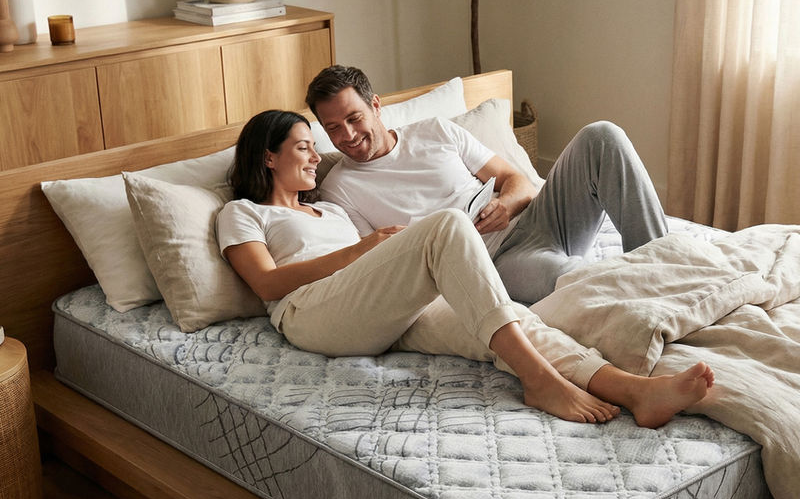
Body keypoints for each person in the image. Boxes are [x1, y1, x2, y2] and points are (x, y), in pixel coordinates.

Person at [216, 109, 715, 428]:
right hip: (311, 313)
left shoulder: (331, 209)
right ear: (268, 157)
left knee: (505, 324)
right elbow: (264, 282)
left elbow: (376, 267)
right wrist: (360, 251)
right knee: (447, 226)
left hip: (379, 311)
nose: (317, 157)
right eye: (306, 146)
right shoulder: (243, 212)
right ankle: (540, 383)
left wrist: (377, 252)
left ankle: (636, 391)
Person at [305, 66, 670, 305]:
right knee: (578, 281)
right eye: (333, 128)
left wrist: (506, 205)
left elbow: (518, 181)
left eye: (354, 118)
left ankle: (667, 267)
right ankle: (647, 293)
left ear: (376, 105)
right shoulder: (339, 188)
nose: (348, 136)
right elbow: (380, 259)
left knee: (602, 135)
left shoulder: (436, 130)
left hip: (537, 218)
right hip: (498, 260)